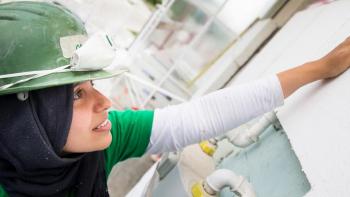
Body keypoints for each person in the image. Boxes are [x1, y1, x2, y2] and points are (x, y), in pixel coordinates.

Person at [0, 1, 349, 197]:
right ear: (25, 121)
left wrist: (317, 68)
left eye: (92, 84)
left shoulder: (98, 142)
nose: (103, 101)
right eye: (77, 94)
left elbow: (197, 117)